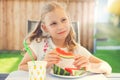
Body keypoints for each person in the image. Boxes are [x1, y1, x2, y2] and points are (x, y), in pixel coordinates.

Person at [18, 1, 112, 75]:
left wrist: (89, 66)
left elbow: (107, 67)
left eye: (63, 20)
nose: (60, 27)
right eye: (53, 23)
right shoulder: (39, 45)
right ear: (45, 28)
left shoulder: (76, 49)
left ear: (69, 20)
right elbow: (21, 67)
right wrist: (43, 64)